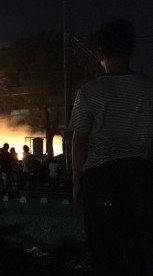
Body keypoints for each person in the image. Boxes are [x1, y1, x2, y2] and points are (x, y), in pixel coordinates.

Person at [69, 19, 153, 276]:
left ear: (99, 53)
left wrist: (76, 182)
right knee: (142, 250)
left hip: (101, 182)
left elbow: (79, 142)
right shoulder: (149, 88)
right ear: (131, 50)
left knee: (105, 253)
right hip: (141, 179)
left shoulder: (89, 92)